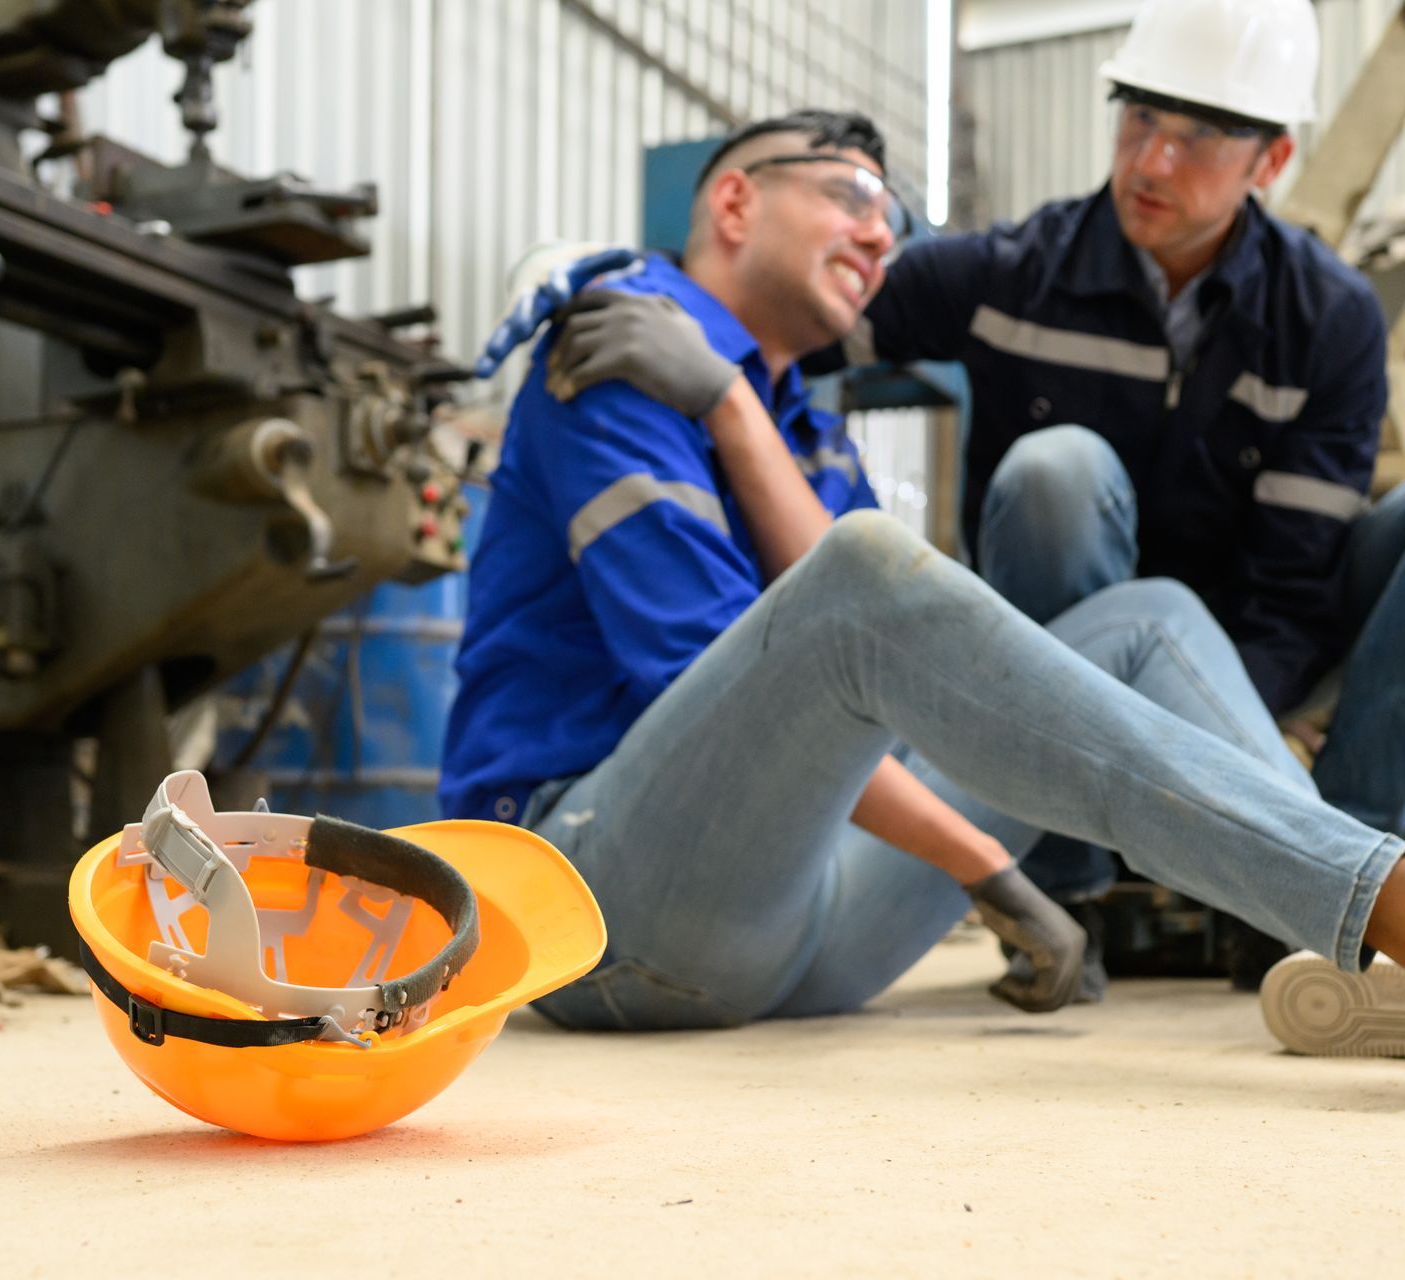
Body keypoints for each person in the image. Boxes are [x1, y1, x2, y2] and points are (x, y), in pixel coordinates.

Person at [437, 108, 1405, 1050]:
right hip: (602, 909)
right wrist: (982, 862)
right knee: (868, 567)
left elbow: (865, 688)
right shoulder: (621, 348)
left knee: (1147, 619)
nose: (877, 233)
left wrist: (735, 403)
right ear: (735, 203)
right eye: (850, 194)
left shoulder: (800, 431)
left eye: (891, 218)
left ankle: (1340, 936)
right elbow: (723, 661)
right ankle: (1385, 901)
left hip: (795, 923)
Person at [805, 0, 1405, 884]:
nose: (1152, 160)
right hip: (1066, 656)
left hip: (1244, 659)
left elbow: (1294, 586)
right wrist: (655, 310)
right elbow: (793, 326)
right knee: (1059, 472)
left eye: (1200, 137)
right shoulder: (1012, 276)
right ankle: (1068, 868)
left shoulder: (1328, 321)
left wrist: (1225, 754)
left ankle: (1352, 868)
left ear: (1272, 160)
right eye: (1141, 118)